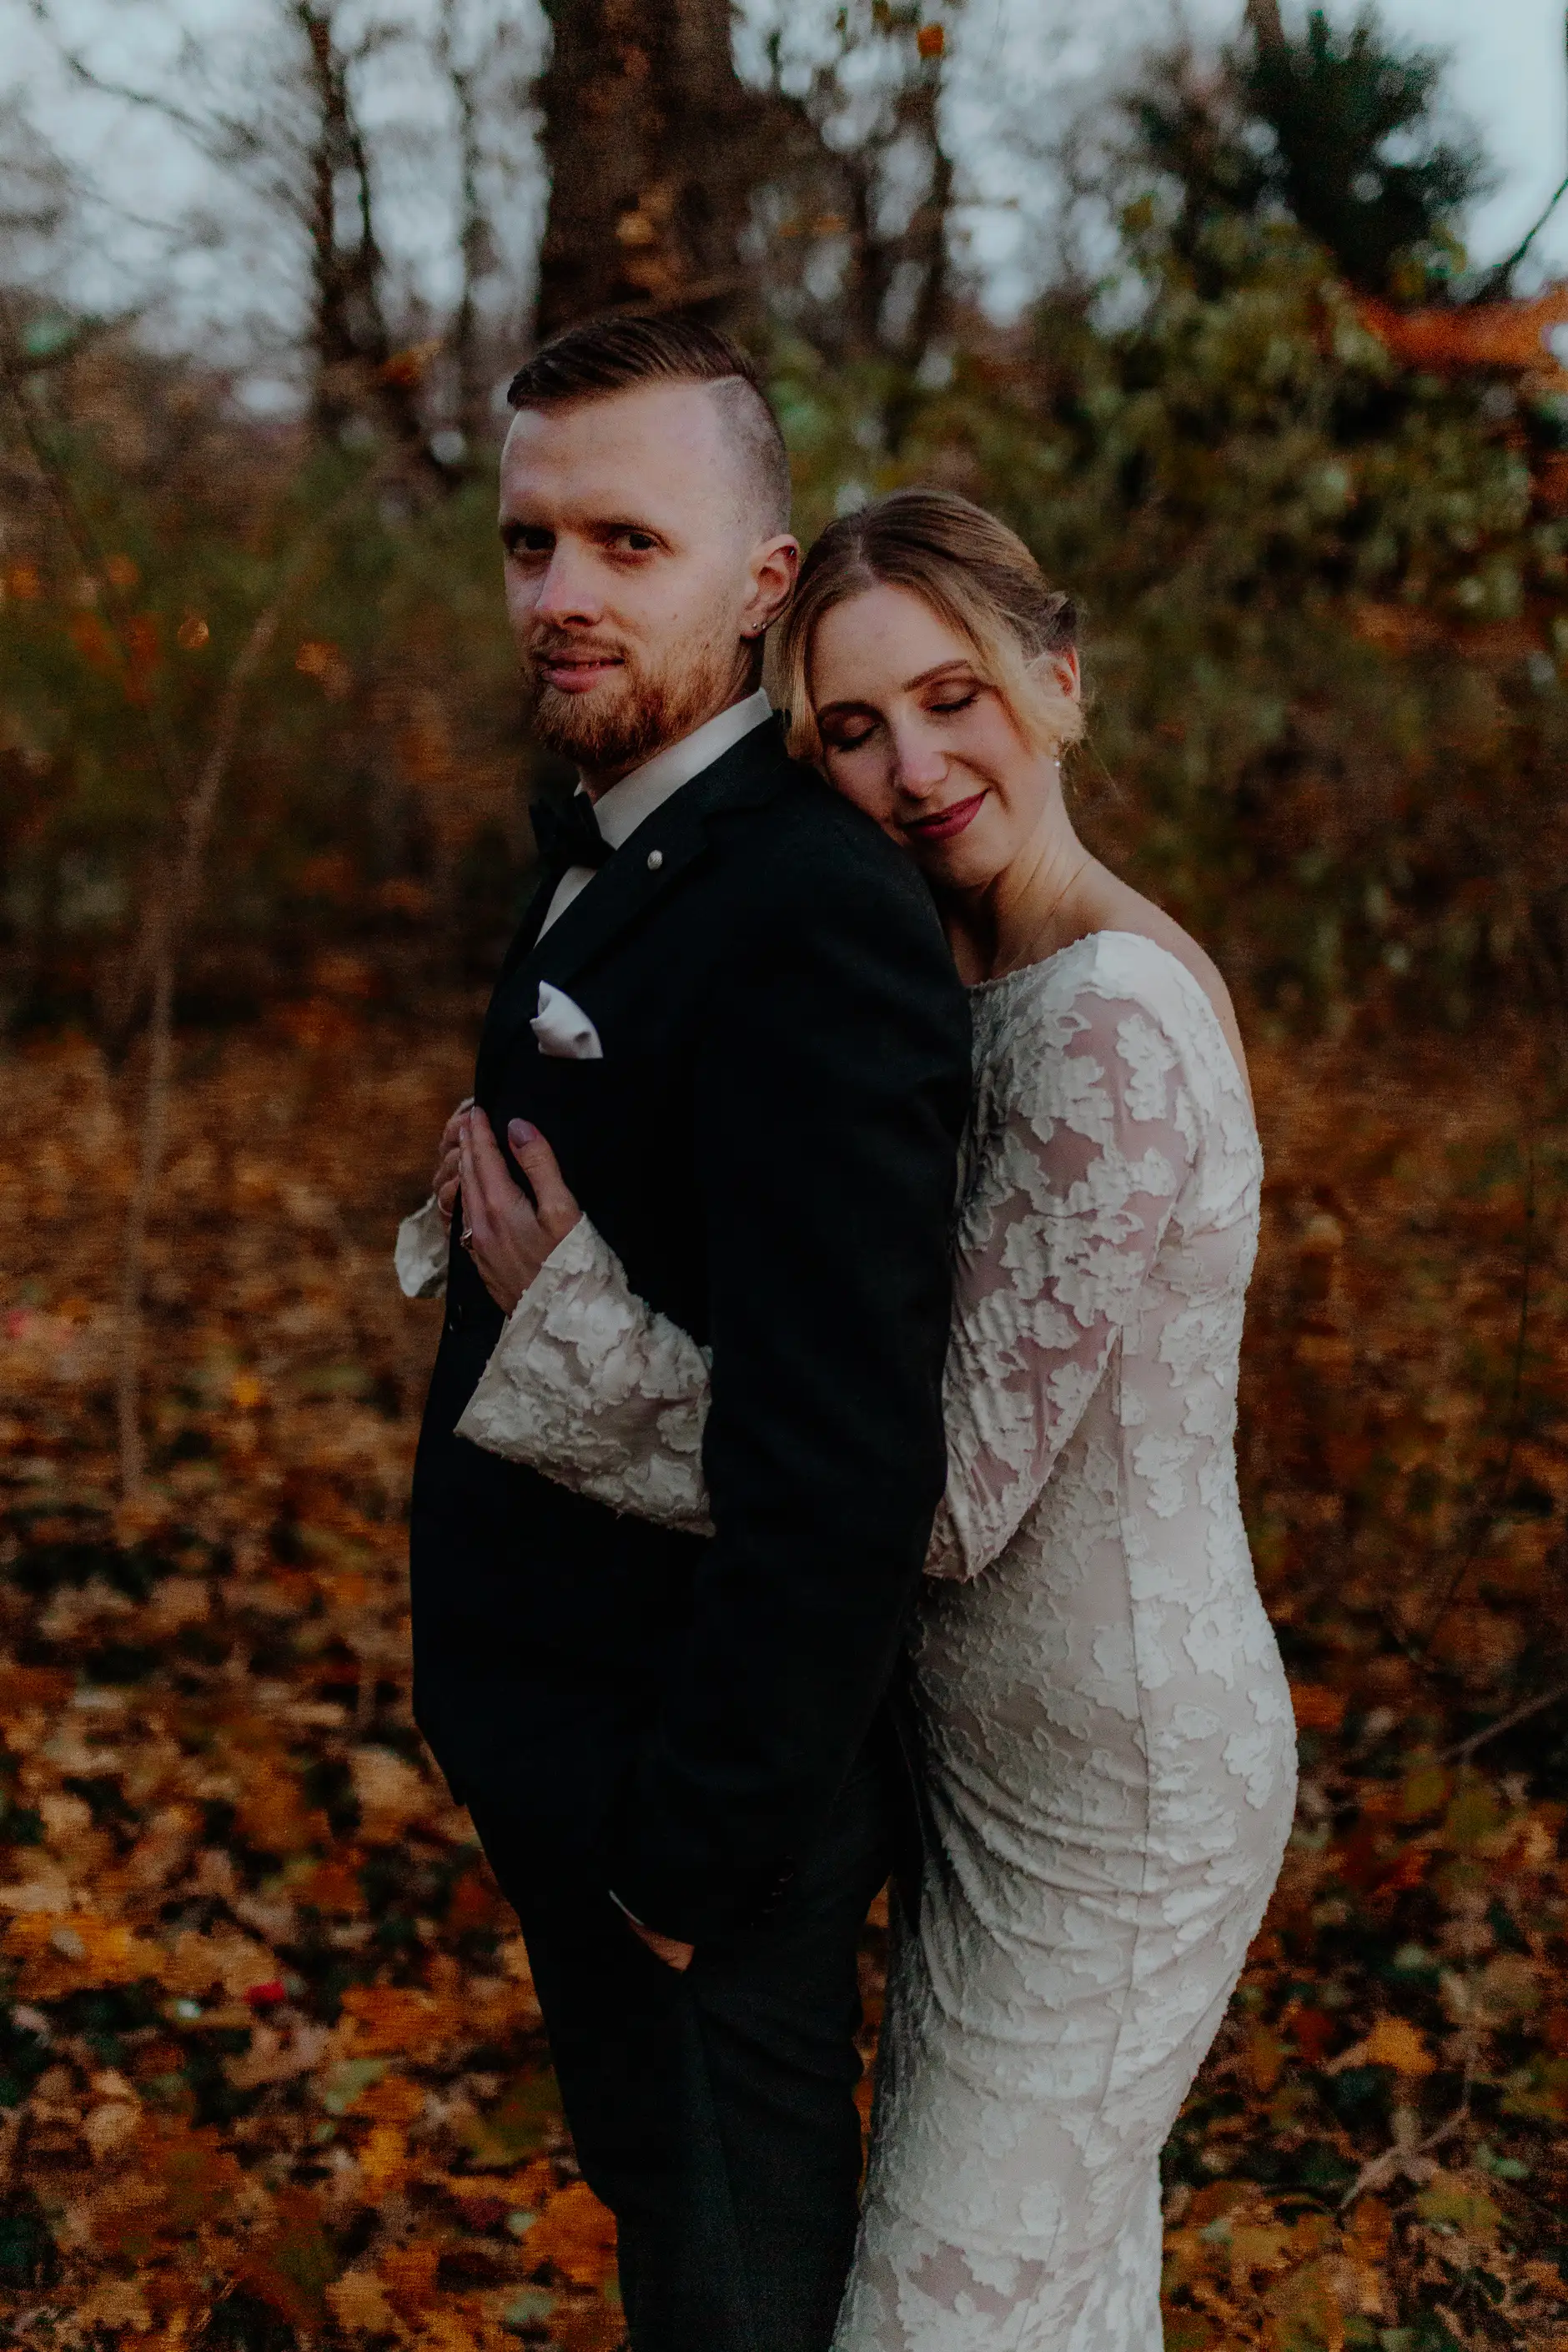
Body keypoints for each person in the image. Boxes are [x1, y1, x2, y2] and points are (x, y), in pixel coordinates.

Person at [440, 491, 1298, 2351]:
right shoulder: (959, 973)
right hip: (973, 1754)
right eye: (850, 729)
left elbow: (939, 1497)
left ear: (1057, 678)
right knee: (1049, 2289)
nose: (912, 767)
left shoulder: (1106, 1019)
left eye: (953, 697)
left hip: (1116, 1788)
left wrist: (576, 1338)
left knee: (938, 2312)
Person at [396, 326, 972, 2352]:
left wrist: (688, 1859)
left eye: (626, 542)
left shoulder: (805, 907)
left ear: (760, 579)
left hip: (699, 1821)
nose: (559, 593)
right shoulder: (625, 841)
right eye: (529, 541)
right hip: (585, 1771)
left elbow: (845, 1457)